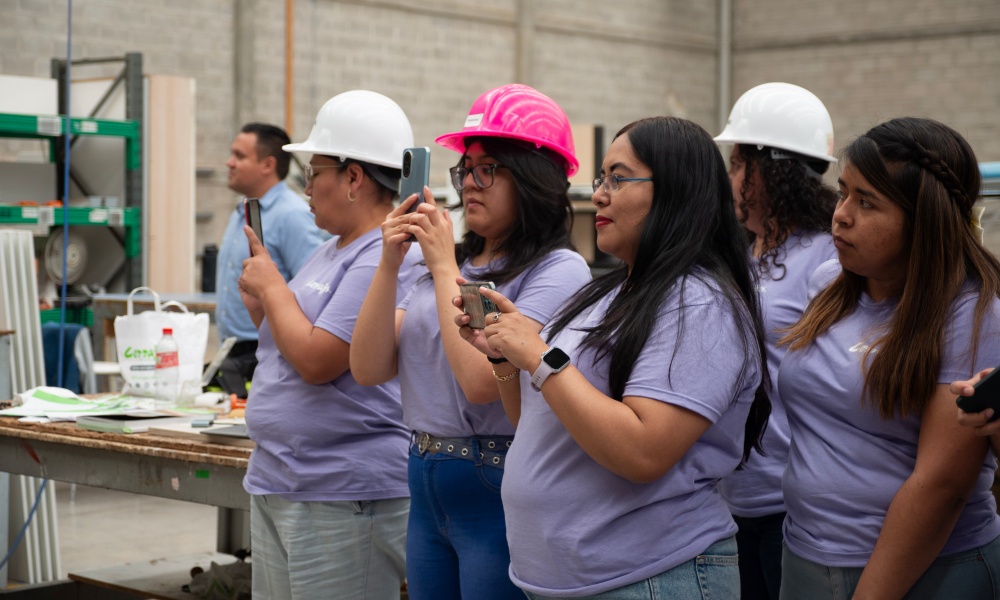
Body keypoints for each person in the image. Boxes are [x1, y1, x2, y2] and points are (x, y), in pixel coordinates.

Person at [458, 116, 771, 598]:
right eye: (600, 179)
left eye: (618, 178)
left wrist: (540, 357)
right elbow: (538, 421)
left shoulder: (700, 302)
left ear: (675, 191)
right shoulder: (612, 290)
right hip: (571, 580)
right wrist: (504, 359)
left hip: (651, 576)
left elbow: (642, 452)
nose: (599, 195)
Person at [351, 83, 592, 599]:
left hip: (494, 479)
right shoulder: (441, 262)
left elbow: (482, 382)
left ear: (534, 179)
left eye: (488, 169)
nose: (470, 184)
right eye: (466, 169)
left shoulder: (558, 269)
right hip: (423, 474)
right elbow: (368, 367)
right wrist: (390, 262)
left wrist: (442, 267)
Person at [777, 117, 1000, 599]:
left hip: (919, 572)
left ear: (925, 220)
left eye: (866, 202)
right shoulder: (828, 286)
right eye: (842, 193)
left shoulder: (972, 314)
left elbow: (943, 486)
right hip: (806, 555)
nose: (840, 215)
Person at [237, 91, 423, 600]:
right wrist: (263, 300)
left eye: (313, 172)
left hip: (342, 492)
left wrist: (274, 289)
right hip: (282, 477)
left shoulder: (387, 256)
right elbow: (288, 339)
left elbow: (320, 360)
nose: (307, 188)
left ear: (353, 177)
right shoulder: (329, 251)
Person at [713, 82, 839, 600]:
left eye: (739, 163)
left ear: (772, 169)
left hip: (788, 501)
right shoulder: (737, 249)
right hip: (728, 494)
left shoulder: (827, 259)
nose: (731, 177)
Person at [216, 122, 325, 386]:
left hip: (268, 349)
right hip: (235, 351)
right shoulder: (242, 211)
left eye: (240, 156)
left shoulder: (292, 216)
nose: (229, 163)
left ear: (267, 165)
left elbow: (313, 294)